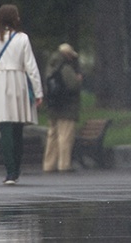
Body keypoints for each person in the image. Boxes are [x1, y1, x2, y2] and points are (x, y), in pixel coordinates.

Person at [0, 4, 44, 185]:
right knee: (17, 128)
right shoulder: (22, 39)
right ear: (15, 19)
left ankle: (9, 171)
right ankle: (15, 169)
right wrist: (38, 91)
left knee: (4, 128)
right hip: (18, 82)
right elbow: (31, 66)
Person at [42, 43, 83, 173]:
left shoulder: (51, 66)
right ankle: (64, 164)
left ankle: (49, 164)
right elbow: (72, 85)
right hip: (66, 108)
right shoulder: (65, 67)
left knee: (52, 136)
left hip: (53, 106)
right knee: (65, 136)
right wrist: (78, 80)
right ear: (67, 55)